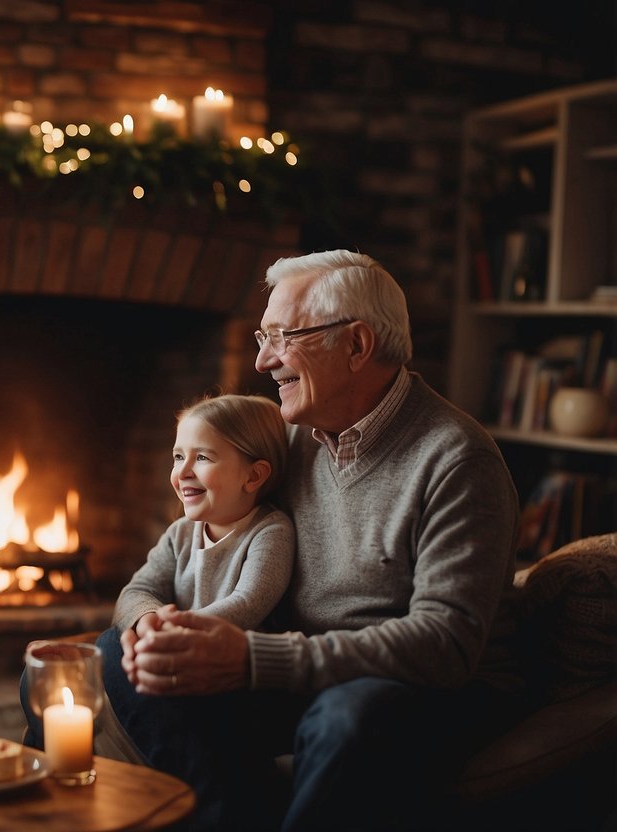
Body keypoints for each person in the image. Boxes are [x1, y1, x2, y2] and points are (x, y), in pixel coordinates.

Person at [99, 250, 523, 830]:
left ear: (356, 345)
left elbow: (445, 644)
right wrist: (156, 626)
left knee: (347, 716)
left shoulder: (456, 460)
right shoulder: (290, 443)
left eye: (283, 336)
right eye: (262, 335)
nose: (262, 359)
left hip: (421, 686)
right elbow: (192, 548)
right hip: (300, 671)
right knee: (109, 655)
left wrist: (253, 658)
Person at [115, 393, 294, 640]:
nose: (183, 471)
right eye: (178, 457)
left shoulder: (271, 532)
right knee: (111, 642)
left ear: (253, 476)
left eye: (202, 457)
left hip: (225, 660)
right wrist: (148, 621)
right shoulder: (180, 533)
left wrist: (176, 629)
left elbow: (246, 604)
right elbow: (137, 590)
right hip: (173, 639)